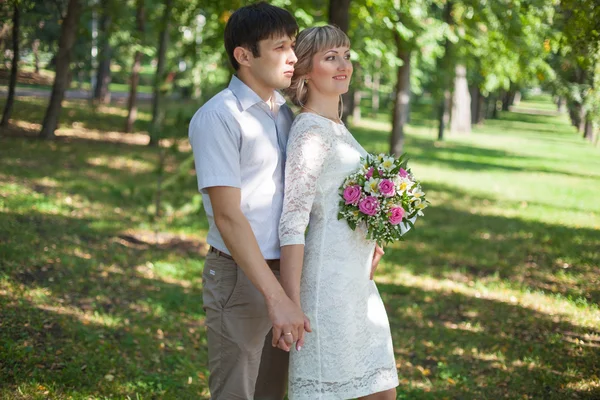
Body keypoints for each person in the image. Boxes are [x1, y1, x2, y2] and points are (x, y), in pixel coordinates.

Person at [188, 3, 310, 399]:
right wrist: (276, 299)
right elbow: (228, 216)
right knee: (237, 391)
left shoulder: (285, 115)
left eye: (292, 45)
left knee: (274, 391)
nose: (293, 57)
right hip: (239, 276)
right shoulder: (219, 117)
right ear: (244, 55)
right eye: (279, 47)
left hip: (286, 271)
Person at [278, 25, 398, 400]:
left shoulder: (338, 128)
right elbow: (293, 222)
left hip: (357, 283)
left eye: (346, 55)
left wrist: (373, 236)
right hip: (325, 288)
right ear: (305, 71)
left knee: (381, 392)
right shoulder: (309, 131)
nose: (343, 64)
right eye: (331, 57)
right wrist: (290, 303)